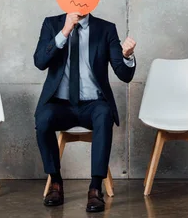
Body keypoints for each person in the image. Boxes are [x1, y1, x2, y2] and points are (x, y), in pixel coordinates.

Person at [33, 11, 136, 213]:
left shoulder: (106, 28)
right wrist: (64, 31)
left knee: (104, 114)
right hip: (60, 104)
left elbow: (124, 75)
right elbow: (40, 61)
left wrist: (127, 56)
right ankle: (55, 182)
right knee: (43, 118)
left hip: (93, 104)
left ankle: (95, 188)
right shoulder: (52, 24)